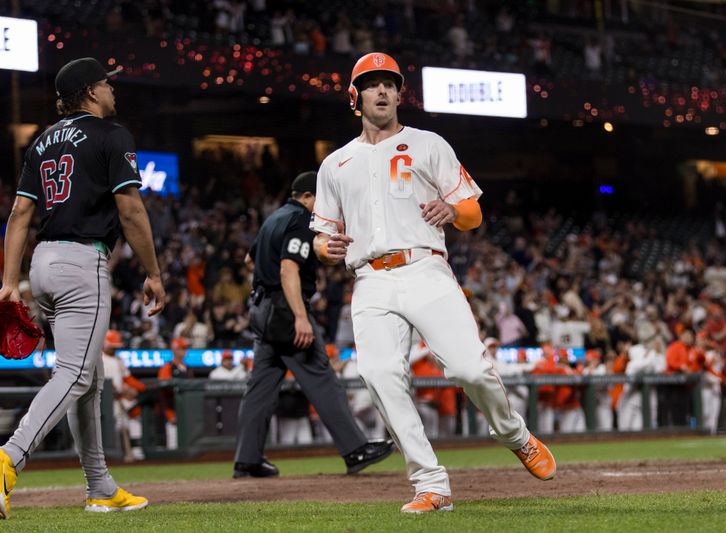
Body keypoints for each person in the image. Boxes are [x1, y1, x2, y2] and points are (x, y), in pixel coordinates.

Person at [311, 52, 556, 513]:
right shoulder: (335, 164)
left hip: (425, 268)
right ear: (354, 96)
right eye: (372, 83)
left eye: (390, 83)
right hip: (370, 279)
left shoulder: (429, 144)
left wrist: (453, 211)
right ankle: (430, 483)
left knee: (470, 369)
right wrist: (327, 249)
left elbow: (472, 211)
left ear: (400, 93)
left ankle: (513, 434)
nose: (382, 91)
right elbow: (323, 236)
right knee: (379, 375)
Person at [0, 57, 165, 519]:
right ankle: (8, 458)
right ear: (91, 92)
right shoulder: (112, 135)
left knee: (86, 379)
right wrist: (154, 273)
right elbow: (131, 211)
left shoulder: (41, 142)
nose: (113, 91)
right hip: (81, 259)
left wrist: (11, 282)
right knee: (74, 374)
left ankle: (100, 486)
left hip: (43, 262)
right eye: (106, 84)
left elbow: (18, 215)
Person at [232, 171, 393, 479]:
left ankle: (247, 460)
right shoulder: (299, 219)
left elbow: (249, 261)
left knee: (260, 388)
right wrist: (300, 316)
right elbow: (288, 269)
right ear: (308, 197)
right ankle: (355, 448)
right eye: (320, 198)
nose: (325, 206)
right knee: (321, 376)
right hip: (284, 310)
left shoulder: (272, 219)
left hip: (261, 307)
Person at [101, 330, 146, 462]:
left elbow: (127, 378)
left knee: (133, 420)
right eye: (113, 346)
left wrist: (140, 388)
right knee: (114, 426)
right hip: (106, 400)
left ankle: (135, 450)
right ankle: (114, 454)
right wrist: (122, 391)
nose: (115, 349)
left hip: (120, 399)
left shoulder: (118, 360)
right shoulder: (98, 359)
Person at [157, 337, 194, 450]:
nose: (184, 351)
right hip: (172, 409)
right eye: (182, 348)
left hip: (186, 411)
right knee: (173, 446)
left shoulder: (188, 369)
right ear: (175, 350)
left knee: (188, 446)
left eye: (185, 348)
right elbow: (162, 394)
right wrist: (169, 414)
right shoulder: (167, 368)